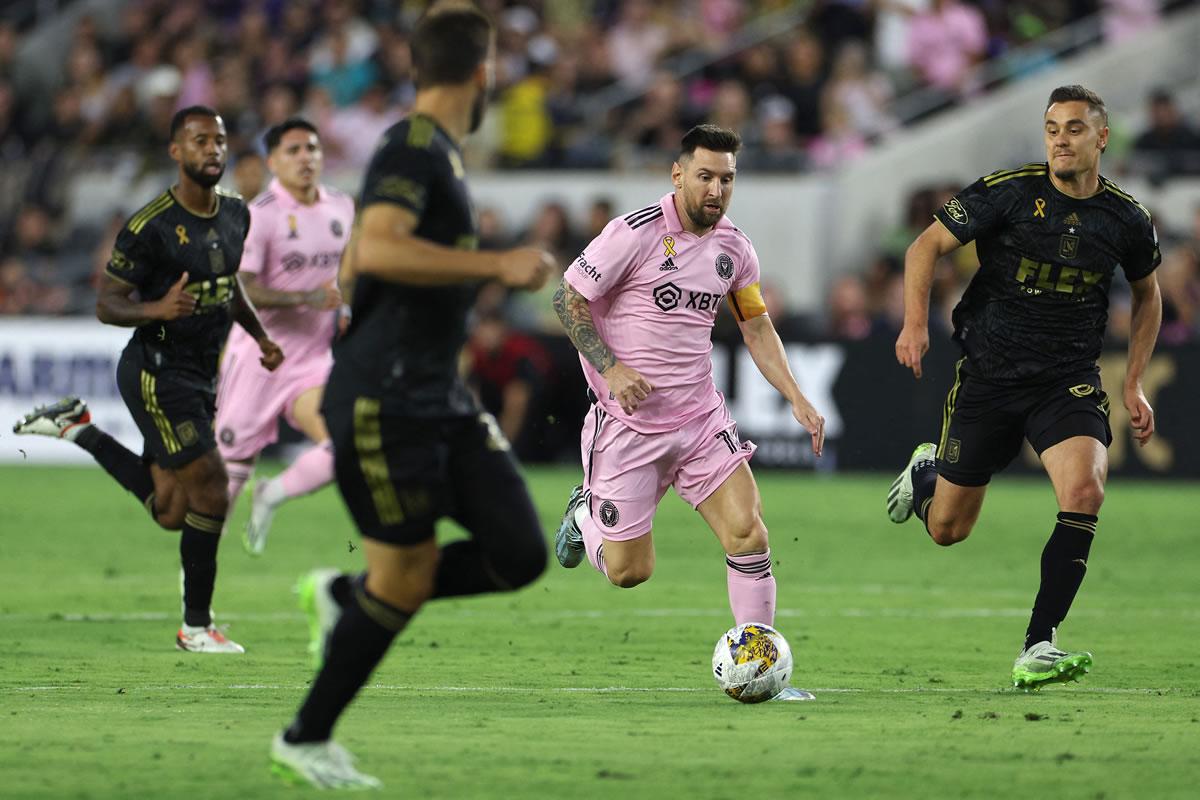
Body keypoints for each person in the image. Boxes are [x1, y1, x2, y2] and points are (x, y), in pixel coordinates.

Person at [270, 6, 556, 789]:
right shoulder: (415, 145)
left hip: (440, 396)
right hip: (384, 401)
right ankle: (304, 737)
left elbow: (364, 259)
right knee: (408, 575)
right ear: (481, 71)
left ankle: (344, 596)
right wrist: (493, 265)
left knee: (520, 552)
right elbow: (384, 245)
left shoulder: (443, 158)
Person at [887, 86, 1162, 690]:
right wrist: (914, 323)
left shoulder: (1126, 218)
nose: (1061, 139)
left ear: (1102, 138)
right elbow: (925, 244)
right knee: (947, 530)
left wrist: (1134, 380)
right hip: (988, 376)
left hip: (1067, 379)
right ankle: (926, 476)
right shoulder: (1007, 192)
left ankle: (1040, 642)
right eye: (1052, 129)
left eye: (1074, 128)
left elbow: (1148, 293)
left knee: (1086, 492)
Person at [552, 124, 826, 702]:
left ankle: (760, 667)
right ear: (678, 174)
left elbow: (754, 323)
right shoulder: (633, 234)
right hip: (628, 426)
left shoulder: (734, 248)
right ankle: (584, 517)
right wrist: (611, 367)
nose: (716, 189)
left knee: (749, 533)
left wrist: (797, 396)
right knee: (631, 572)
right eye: (705, 176)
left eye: (727, 178)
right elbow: (568, 299)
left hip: (701, 421)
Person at [13, 105, 284, 654]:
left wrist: (258, 336)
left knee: (172, 511)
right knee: (211, 487)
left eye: (220, 140)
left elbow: (229, 287)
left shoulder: (236, 213)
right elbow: (106, 303)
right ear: (176, 152)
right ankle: (197, 627)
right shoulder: (149, 226)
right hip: (157, 374)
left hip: (202, 374)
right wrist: (157, 307)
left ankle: (80, 429)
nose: (213, 149)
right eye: (199, 140)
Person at [215, 117, 355, 555]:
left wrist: (347, 305)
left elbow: (347, 273)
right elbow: (243, 288)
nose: (305, 158)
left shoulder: (342, 208)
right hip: (259, 357)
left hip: (311, 361)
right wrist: (308, 297)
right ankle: (196, 586)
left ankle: (272, 493)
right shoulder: (261, 216)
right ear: (273, 161)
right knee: (226, 479)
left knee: (345, 443)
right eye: (293, 151)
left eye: (311, 148)